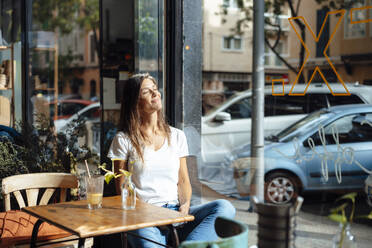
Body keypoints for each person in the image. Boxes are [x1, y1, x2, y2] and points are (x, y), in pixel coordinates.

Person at [107, 73, 235, 247]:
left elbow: (183, 180)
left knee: (224, 208)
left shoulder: (177, 136)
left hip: (175, 213)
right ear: (135, 101)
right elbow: (122, 190)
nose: (155, 93)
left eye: (155, 89)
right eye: (147, 91)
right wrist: (152, 215)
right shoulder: (123, 140)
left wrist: (185, 205)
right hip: (143, 218)